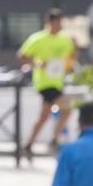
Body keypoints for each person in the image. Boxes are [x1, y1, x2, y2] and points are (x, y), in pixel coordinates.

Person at [17, 8, 76, 157]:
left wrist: (76, 47)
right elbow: (22, 56)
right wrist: (37, 64)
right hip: (44, 82)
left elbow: (72, 56)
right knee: (67, 108)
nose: (57, 25)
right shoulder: (38, 38)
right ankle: (54, 140)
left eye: (59, 23)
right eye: (54, 22)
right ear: (48, 23)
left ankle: (29, 144)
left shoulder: (65, 39)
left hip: (58, 82)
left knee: (44, 116)